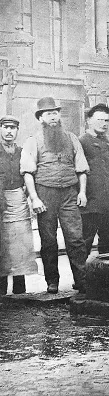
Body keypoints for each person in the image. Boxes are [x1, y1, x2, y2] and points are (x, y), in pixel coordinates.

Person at [20, 97, 89, 294]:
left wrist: (82, 192)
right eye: (48, 113)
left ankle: (81, 280)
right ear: (40, 118)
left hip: (69, 194)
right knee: (48, 240)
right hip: (45, 194)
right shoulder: (33, 141)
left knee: (75, 238)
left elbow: (81, 169)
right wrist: (34, 198)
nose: (53, 116)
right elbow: (27, 173)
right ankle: (52, 281)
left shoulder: (72, 139)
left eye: (55, 113)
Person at [0, 115, 38, 295]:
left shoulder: (22, 151)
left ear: (17, 131)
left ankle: (19, 292)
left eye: (12, 128)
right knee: (2, 246)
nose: (9, 131)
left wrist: (30, 195)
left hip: (18, 202)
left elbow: (29, 174)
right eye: (6, 127)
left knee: (20, 246)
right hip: (0, 202)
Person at [79, 104, 109, 257]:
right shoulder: (81, 142)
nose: (104, 123)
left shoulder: (108, 143)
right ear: (89, 120)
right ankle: (81, 280)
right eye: (99, 120)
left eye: (106, 120)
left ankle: (106, 280)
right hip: (90, 204)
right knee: (84, 244)